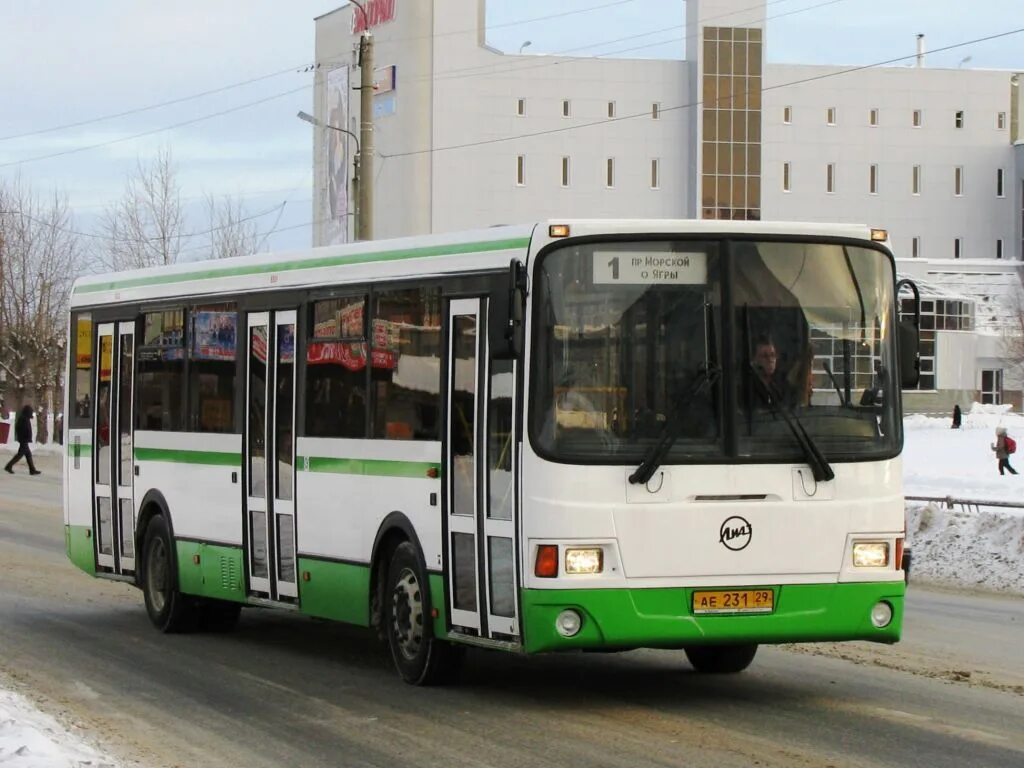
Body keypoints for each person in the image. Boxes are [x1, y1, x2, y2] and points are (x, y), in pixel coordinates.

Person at [4, 405, 42, 475]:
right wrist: (25, 438)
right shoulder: (23, 419)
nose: (31, 413)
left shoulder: (25, 418)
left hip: (24, 439)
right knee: (20, 455)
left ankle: (32, 470)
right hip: (24, 440)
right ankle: (8, 466)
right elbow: (22, 430)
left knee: (28, 454)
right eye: (30, 412)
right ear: (27, 412)